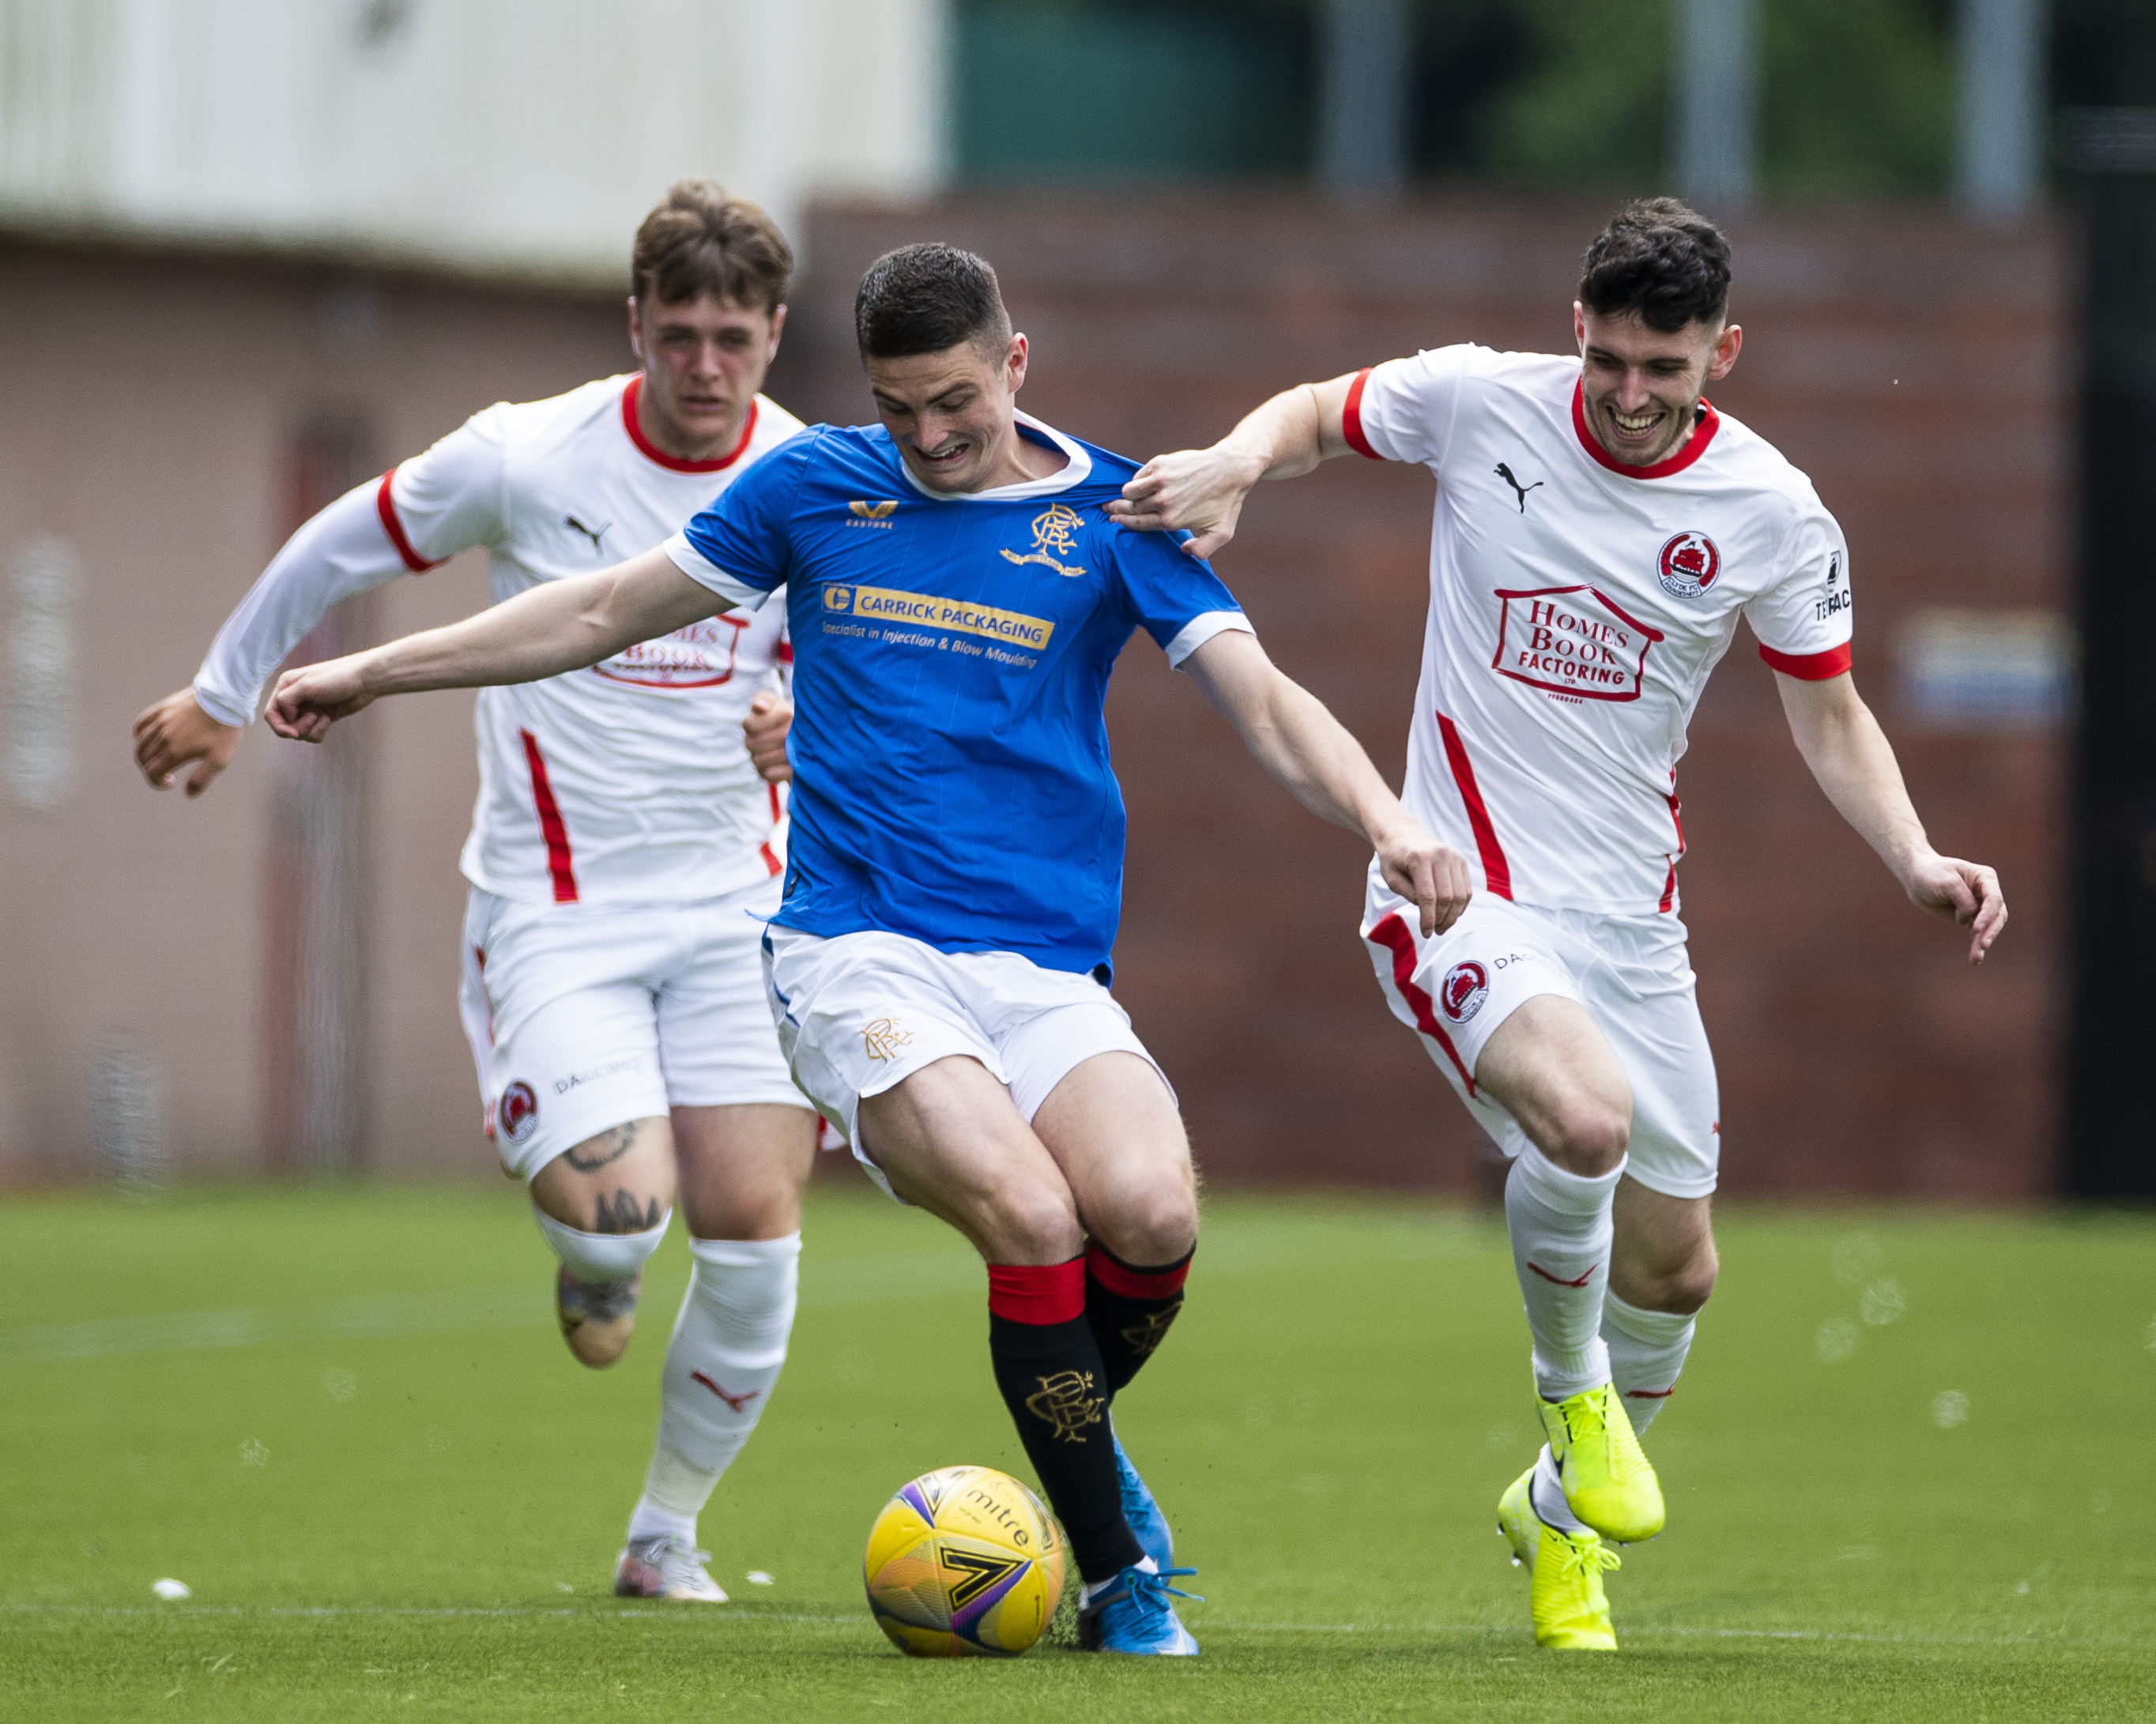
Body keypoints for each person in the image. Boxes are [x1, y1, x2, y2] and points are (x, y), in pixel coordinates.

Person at [261, 241, 1465, 1656]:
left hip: (1042, 969)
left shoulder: (1114, 513)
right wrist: (369, 669)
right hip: (855, 951)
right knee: (1030, 1215)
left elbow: (1261, 701)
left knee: (1150, 1213)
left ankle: (1075, 1433)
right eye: (899, 408)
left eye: (955, 400)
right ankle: (1117, 1574)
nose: (930, 436)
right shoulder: (813, 485)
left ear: (1015, 366)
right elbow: (596, 610)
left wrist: (1389, 818)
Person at [1106, 198, 2007, 1652]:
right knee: (1583, 1124)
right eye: (1612, 361)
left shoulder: (1773, 510)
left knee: (1679, 1266)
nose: (1634, 397)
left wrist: (1912, 855)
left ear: (1724, 352)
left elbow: (1829, 710)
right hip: (1454, 887)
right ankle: (1576, 1405)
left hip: (1633, 926)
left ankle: (1557, 1516)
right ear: (1576, 324)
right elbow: (1322, 411)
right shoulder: (1484, 401)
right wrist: (1236, 462)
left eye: (1669, 368)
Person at [130, 181, 825, 1605]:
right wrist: (220, 695)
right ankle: (593, 1255)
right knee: (619, 1226)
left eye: (734, 338)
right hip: (555, 905)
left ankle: (665, 1536)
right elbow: (344, 537)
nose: (704, 366)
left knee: (754, 1222)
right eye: (679, 332)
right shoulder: (529, 456)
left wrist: (804, 716)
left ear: (773, 336)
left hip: (740, 906)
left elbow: (869, 660)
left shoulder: (816, 479)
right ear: (636, 324)